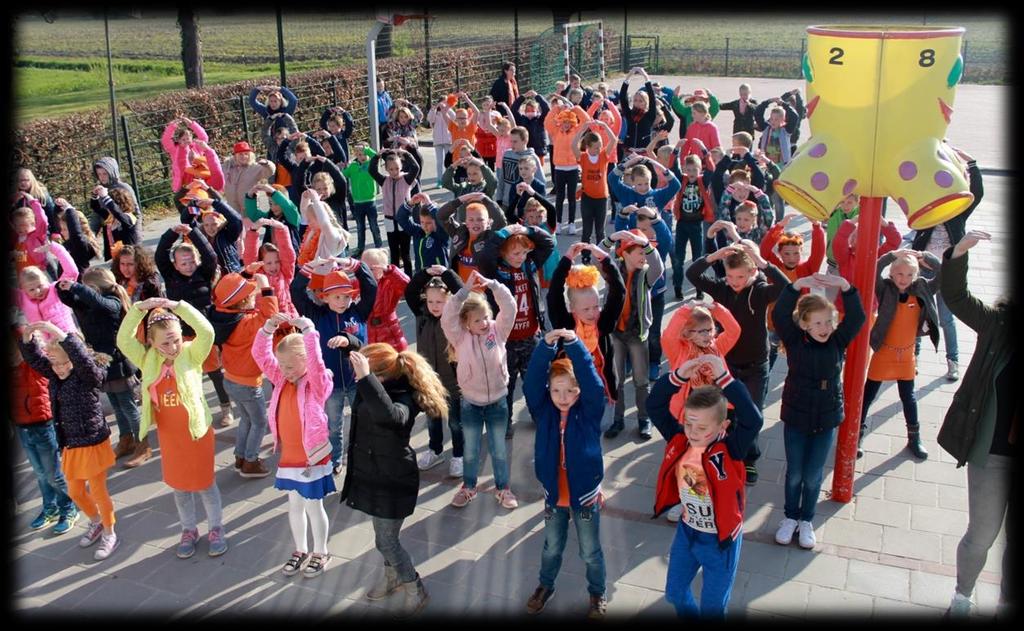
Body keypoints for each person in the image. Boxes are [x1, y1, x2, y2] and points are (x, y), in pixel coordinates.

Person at [936, 230, 1017, 619]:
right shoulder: (998, 327)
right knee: (981, 536)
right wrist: (957, 255)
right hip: (993, 453)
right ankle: (962, 598)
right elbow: (955, 299)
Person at [648, 354, 763, 619]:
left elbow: (753, 420)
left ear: (723, 426)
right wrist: (677, 376)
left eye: (702, 427)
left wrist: (726, 378)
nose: (693, 432)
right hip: (687, 532)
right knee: (674, 593)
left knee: (713, 609)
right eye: (689, 423)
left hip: (720, 541)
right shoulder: (680, 440)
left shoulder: (730, 449)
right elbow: (654, 406)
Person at [341, 344, 449, 618]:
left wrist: (366, 379)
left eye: (363, 373)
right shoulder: (380, 382)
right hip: (376, 475)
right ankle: (392, 578)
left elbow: (391, 418)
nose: (356, 376)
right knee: (382, 539)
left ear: (381, 376)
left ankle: (414, 586)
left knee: (387, 542)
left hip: (393, 480)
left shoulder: (404, 397)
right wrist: (348, 342)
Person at [118, 297, 227, 559]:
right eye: (165, 342)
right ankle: (188, 530)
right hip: (170, 436)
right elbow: (123, 340)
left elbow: (207, 331)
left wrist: (177, 306)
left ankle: (216, 528)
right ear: (152, 343)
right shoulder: (147, 359)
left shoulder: (192, 352)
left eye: (176, 339)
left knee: (205, 484)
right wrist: (137, 310)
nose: (172, 346)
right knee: (180, 487)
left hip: (197, 433)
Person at [771, 273, 865, 549]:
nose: (824, 328)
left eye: (828, 322)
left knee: (813, 475)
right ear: (804, 324)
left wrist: (847, 287)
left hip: (825, 416)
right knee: (795, 473)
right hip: (796, 415)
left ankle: (806, 520)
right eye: (817, 323)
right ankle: (790, 517)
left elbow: (857, 317)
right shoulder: (795, 339)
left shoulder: (837, 341)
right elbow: (779, 314)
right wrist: (795, 286)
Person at [685, 241, 789, 485]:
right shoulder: (722, 289)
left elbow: (786, 287)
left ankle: (749, 458)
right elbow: (693, 274)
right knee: (728, 410)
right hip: (727, 364)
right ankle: (730, 451)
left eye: (740, 276)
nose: (734, 281)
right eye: (730, 275)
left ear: (752, 272)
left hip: (756, 364)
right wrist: (715, 256)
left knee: (752, 412)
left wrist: (764, 262)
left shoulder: (761, 290)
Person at [524, 328, 609, 619]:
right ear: (549, 389)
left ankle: (597, 592)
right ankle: (545, 586)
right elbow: (532, 382)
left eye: (571, 390)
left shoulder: (589, 411)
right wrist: (545, 348)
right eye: (557, 389)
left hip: (584, 496)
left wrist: (574, 345)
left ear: (580, 391)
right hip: (553, 496)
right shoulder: (543, 410)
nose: (564, 396)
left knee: (590, 551)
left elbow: (593, 382)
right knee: (551, 547)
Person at [21, 321, 119, 560]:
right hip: (71, 445)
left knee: (98, 491)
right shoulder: (55, 376)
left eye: (64, 362)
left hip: (93, 442)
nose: (59, 367)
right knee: (75, 491)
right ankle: (96, 522)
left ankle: (109, 532)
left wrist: (58, 333)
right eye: (54, 362)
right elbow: (35, 360)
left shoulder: (87, 375)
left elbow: (84, 361)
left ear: (75, 358)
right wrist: (27, 338)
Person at [253, 313, 335, 579]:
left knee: (313, 506)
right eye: (282, 365)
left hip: (311, 458)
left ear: (305, 361)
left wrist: (309, 331)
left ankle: (321, 551)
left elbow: (316, 362)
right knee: (294, 505)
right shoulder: (280, 379)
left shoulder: (317, 384)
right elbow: (260, 355)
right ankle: (301, 549)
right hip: (289, 456)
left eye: (291, 365)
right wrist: (267, 329)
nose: (284, 370)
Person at [290, 258, 377, 474]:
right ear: (324, 297)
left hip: (358, 380)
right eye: (336, 297)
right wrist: (308, 269)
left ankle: (363, 456)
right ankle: (336, 458)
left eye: (346, 296)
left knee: (364, 421)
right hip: (331, 385)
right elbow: (296, 292)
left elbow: (371, 286)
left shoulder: (358, 313)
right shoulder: (317, 315)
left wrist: (355, 265)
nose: (342, 301)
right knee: (334, 425)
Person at [440, 270, 519, 509]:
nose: (484, 323)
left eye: (486, 317)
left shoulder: (499, 330)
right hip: (471, 404)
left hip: (498, 402)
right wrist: (463, 291)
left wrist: (494, 284)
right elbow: (447, 317)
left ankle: (503, 489)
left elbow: (510, 307)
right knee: (471, 451)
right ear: (466, 323)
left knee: (499, 451)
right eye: (477, 320)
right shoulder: (460, 337)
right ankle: (469, 487)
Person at [57, 268, 147, 468]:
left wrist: (77, 286)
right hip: (102, 363)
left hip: (118, 363)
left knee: (128, 406)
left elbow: (100, 302)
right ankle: (126, 440)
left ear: (96, 287)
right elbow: (69, 300)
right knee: (116, 406)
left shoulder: (112, 302)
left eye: (87, 287)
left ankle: (143, 445)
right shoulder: (90, 304)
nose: (83, 291)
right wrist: (62, 288)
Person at [858, 249, 942, 461]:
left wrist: (928, 257)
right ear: (892, 274)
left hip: (906, 354)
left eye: (908, 275)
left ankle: (914, 438)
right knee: (868, 393)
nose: (903, 279)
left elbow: (942, 275)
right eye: (899, 274)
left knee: (909, 397)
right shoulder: (885, 289)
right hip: (884, 351)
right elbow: (874, 270)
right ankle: (857, 433)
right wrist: (891, 256)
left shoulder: (922, 287)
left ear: (916, 275)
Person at [910, 146, 983, 381]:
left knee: (946, 318)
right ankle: (913, 358)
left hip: (948, 272)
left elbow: (977, 193)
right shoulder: (927, 209)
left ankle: (953, 361)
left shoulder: (958, 213)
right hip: (924, 270)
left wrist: (970, 162)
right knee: (918, 314)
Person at [477, 222, 555, 440]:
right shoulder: (496, 270)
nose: (520, 256)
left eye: (523, 252)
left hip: (531, 334)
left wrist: (527, 230)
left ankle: (538, 414)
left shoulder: (529, 265)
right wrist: (504, 233)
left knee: (535, 380)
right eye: (515, 253)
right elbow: (483, 257)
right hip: (507, 339)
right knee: (507, 383)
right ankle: (505, 420)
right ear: (503, 252)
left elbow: (548, 243)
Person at [155, 223, 234, 428]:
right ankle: (194, 411)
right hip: (182, 335)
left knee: (215, 372)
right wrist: (172, 232)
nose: (188, 266)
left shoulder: (203, 273)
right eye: (183, 262)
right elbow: (160, 255)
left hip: (203, 335)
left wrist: (193, 233)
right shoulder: (170, 276)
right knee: (187, 376)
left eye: (191, 261)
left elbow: (211, 256)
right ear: (175, 264)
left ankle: (226, 407)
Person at [210, 271, 279, 477]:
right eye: (250, 295)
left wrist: (246, 274)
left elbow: (227, 292)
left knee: (246, 420)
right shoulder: (247, 324)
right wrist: (266, 287)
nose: (253, 296)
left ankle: (240, 456)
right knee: (259, 423)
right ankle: (250, 461)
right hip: (248, 384)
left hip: (230, 379)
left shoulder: (224, 317)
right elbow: (270, 317)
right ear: (241, 302)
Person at [11, 324, 77, 536]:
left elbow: (28, 344)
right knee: (40, 474)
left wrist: (21, 330)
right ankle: (50, 508)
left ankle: (69, 508)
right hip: (22, 426)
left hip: (42, 423)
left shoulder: (34, 365)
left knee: (53, 474)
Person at [547, 242, 625, 418]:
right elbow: (554, 294)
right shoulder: (565, 323)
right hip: (570, 395)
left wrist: (603, 258)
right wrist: (567, 259)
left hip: (600, 394)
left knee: (596, 436)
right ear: (572, 308)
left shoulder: (603, 324)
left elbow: (619, 290)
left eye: (596, 307)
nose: (593, 313)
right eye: (586, 309)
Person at [599, 227, 664, 440]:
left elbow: (658, 266)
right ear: (625, 253)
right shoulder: (613, 270)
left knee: (641, 381)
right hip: (616, 334)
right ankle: (617, 420)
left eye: (645, 252)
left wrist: (644, 244)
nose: (644, 256)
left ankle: (644, 419)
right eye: (639, 252)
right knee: (615, 379)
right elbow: (596, 257)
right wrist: (611, 239)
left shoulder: (646, 274)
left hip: (638, 335)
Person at [406, 265, 465, 477]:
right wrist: (425, 273)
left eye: (439, 301)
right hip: (428, 380)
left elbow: (461, 291)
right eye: (430, 301)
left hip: (453, 381)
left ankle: (459, 455)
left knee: (456, 423)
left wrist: (446, 273)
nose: (434, 306)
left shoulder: (454, 315)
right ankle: (435, 450)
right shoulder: (421, 313)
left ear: (448, 301)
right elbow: (410, 291)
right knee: (432, 419)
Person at [760, 214, 827, 370]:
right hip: (775, 322)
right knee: (768, 358)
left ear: (801, 252)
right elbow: (764, 250)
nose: (791, 257)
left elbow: (819, 251)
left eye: (796, 253)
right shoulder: (775, 268)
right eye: (787, 253)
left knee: (799, 360)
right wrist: (779, 227)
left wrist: (817, 227)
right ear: (780, 254)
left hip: (798, 323)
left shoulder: (807, 269)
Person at [369, 148, 419, 277]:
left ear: (401, 166)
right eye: (391, 169)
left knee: (406, 253)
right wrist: (377, 156)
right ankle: (395, 280)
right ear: (386, 169)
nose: (394, 172)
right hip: (390, 220)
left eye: (396, 168)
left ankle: (408, 279)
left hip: (404, 219)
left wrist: (406, 154)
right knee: (394, 253)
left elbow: (415, 168)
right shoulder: (384, 181)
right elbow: (372, 171)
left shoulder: (406, 179)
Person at [437, 193, 507, 284]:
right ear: (466, 221)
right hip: (462, 291)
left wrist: (485, 199)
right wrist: (461, 200)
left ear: (489, 222)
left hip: (483, 293)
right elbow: (441, 216)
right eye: (471, 219)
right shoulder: (459, 233)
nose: (475, 223)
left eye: (480, 219)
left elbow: (501, 221)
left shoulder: (491, 237)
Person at [545, 96, 591, 234]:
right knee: (559, 197)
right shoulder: (555, 131)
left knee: (571, 197)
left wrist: (575, 108)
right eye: (563, 121)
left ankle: (571, 224)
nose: (565, 124)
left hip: (572, 168)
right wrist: (557, 108)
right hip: (559, 168)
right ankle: (558, 223)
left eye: (568, 121)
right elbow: (547, 121)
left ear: (572, 122)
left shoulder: (577, 130)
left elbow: (587, 121)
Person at [573, 119, 618, 254]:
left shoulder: (604, 156)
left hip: (602, 198)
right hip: (587, 197)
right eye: (596, 147)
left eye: (600, 146)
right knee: (586, 230)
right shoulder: (583, 157)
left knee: (600, 230)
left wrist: (604, 125)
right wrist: (582, 129)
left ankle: (601, 255)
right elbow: (574, 144)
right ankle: (586, 256)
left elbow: (614, 140)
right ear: (588, 147)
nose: (599, 149)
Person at [16, 244, 79, 336]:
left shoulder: (56, 289)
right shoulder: (24, 298)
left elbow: (72, 272)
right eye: (31, 290)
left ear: (46, 280)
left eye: (40, 286)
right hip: (47, 346)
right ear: (25, 290)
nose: (37, 291)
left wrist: (56, 249)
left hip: (68, 337)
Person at [361, 248, 410, 350]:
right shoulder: (361, 283)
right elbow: (343, 288)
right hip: (369, 332)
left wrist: (391, 271)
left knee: (394, 360)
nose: (366, 272)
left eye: (371, 269)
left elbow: (407, 286)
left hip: (389, 330)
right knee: (373, 361)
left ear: (382, 268)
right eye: (363, 268)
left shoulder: (389, 283)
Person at [161, 117, 224, 192]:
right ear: (178, 140)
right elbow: (165, 141)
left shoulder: (196, 146)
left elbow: (204, 137)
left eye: (188, 138)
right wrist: (171, 127)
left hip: (200, 179)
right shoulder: (175, 149)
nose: (186, 141)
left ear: (191, 138)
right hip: (183, 182)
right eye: (183, 139)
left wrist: (192, 124)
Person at [342, 143, 383, 257]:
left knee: (374, 226)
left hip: (370, 201)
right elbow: (343, 174)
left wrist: (366, 149)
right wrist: (344, 167)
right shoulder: (353, 166)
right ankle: (360, 248)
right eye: (359, 154)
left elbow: (376, 156)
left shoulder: (371, 164)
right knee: (360, 227)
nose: (362, 156)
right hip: (358, 203)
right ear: (356, 155)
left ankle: (379, 246)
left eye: (364, 153)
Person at [396, 193, 450, 271]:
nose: (424, 226)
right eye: (422, 222)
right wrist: (410, 203)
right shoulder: (417, 231)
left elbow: (440, 219)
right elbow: (401, 218)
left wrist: (429, 203)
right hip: (421, 274)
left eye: (428, 223)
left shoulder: (441, 234)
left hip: (438, 275)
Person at [222, 141, 276, 217]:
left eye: (246, 154)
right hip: (232, 208)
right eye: (240, 154)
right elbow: (216, 172)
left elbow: (270, 171)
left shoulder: (255, 167)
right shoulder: (228, 168)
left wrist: (267, 163)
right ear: (235, 156)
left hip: (250, 208)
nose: (244, 156)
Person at [53, 199, 102, 273]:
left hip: (77, 282)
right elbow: (56, 222)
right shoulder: (68, 242)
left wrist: (69, 209)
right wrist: (57, 208)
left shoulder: (80, 243)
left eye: (65, 229)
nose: (61, 232)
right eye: (61, 229)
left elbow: (75, 233)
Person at [618, 66, 658, 153]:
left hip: (644, 151)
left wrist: (645, 76)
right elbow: (622, 97)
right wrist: (629, 76)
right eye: (635, 100)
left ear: (646, 103)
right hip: (629, 150)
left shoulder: (649, 115)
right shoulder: (629, 113)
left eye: (641, 101)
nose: (637, 103)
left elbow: (652, 97)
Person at [426, 97, 455, 183]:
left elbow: (454, 117)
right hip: (437, 140)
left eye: (446, 102)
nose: (443, 104)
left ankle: (449, 178)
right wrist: (433, 109)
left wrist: (447, 108)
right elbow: (429, 119)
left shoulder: (449, 111)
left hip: (448, 139)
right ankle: (439, 180)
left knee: (448, 161)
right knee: (439, 162)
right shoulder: (435, 113)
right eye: (442, 102)